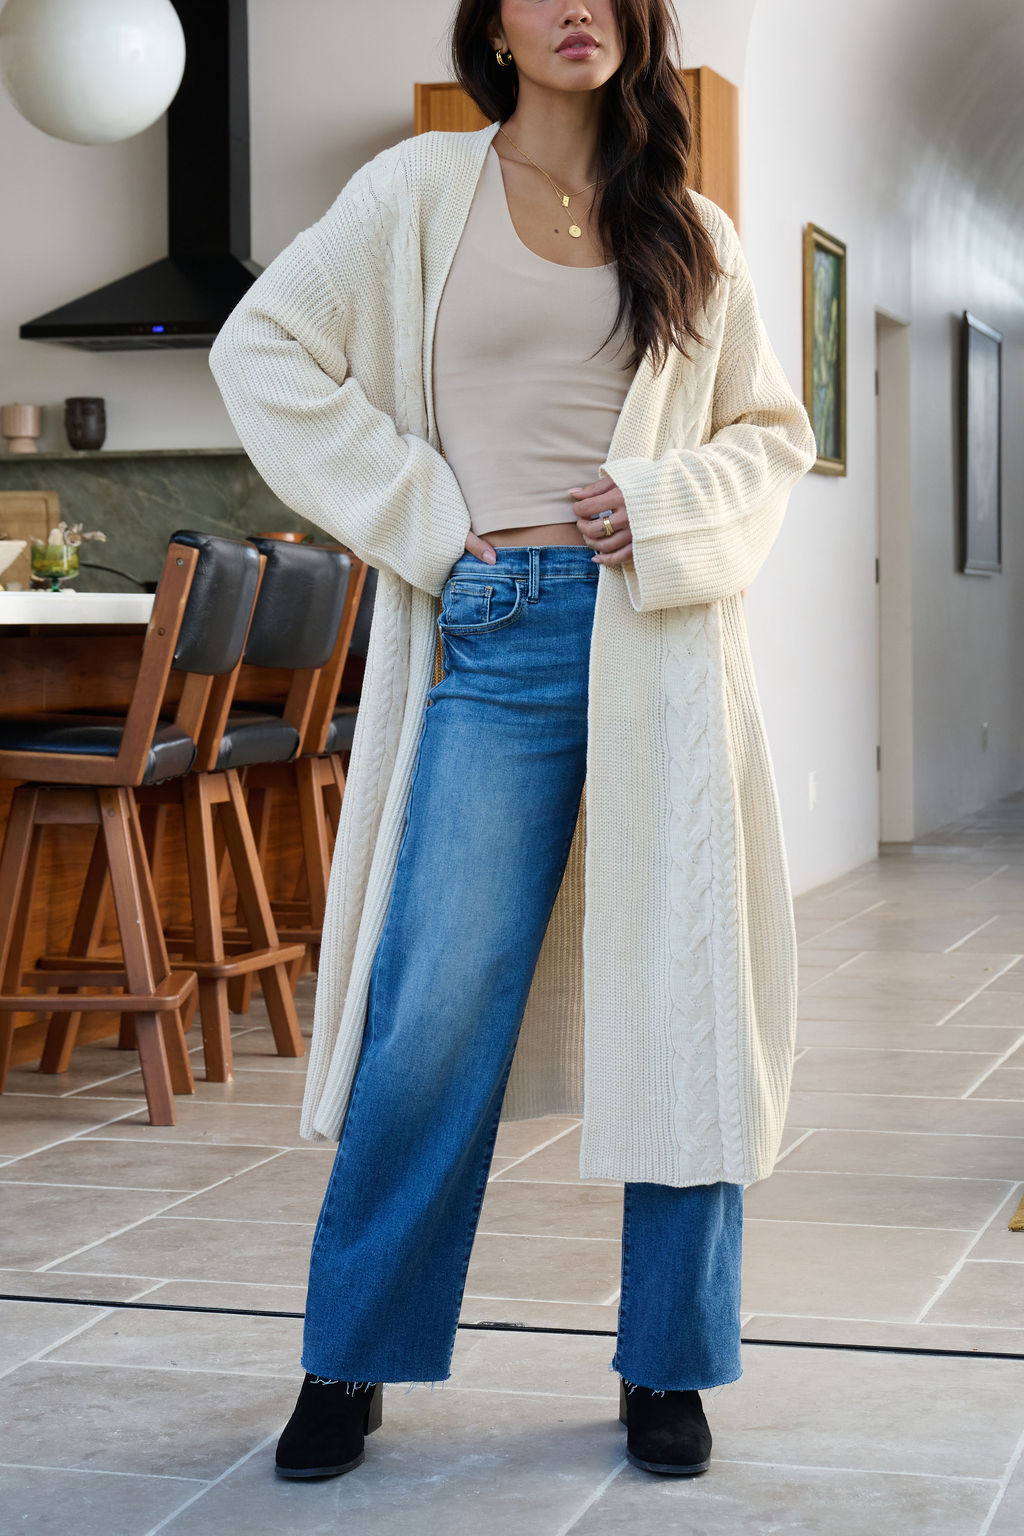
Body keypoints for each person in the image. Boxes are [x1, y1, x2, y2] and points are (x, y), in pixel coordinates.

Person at [209, 0, 817, 1485]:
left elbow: (770, 431)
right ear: (492, 24)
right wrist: (429, 526)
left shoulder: (691, 226)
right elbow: (264, 349)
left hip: (658, 643)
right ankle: (349, 1357)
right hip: (494, 633)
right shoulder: (419, 190)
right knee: (433, 1019)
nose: (577, 9)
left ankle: (668, 1367)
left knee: (685, 1011)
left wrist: (664, 511)